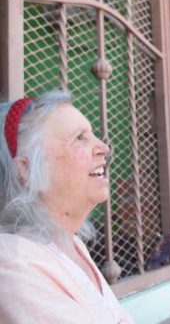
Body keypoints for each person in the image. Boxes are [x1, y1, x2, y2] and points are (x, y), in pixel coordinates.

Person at [0, 91, 134, 323]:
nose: (104, 148)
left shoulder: (73, 244)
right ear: (26, 170)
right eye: (80, 138)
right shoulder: (13, 261)